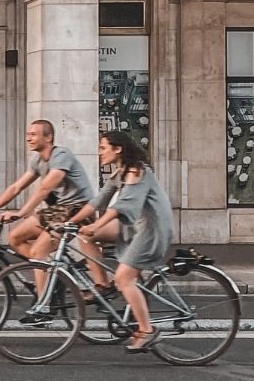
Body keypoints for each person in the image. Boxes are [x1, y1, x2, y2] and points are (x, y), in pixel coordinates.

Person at [0, 119, 106, 325]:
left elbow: (45, 188)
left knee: (38, 252)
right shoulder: (37, 161)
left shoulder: (62, 156)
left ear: (49, 137)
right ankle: (53, 272)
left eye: (34, 134)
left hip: (78, 209)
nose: (28, 137)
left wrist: (21, 212)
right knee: (15, 237)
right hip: (57, 210)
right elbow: (16, 187)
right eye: (28, 133)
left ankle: (44, 307)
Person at [67, 132, 173, 353]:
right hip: (135, 226)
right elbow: (95, 203)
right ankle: (103, 286)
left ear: (118, 149)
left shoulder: (136, 171)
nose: (99, 152)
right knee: (85, 236)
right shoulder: (120, 173)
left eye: (103, 147)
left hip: (152, 229)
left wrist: (96, 225)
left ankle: (146, 331)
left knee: (124, 278)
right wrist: (69, 222)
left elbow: (122, 207)